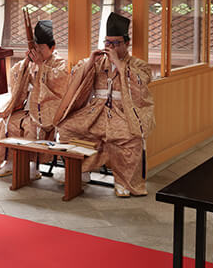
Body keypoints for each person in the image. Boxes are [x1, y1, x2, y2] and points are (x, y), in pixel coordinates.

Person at [55, 13, 155, 197]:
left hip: (124, 113)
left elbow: (142, 83)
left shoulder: (138, 64)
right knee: (67, 127)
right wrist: (89, 63)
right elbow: (76, 77)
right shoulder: (98, 61)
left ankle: (123, 181)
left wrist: (119, 64)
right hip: (95, 112)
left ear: (127, 43)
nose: (111, 47)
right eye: (107, 43)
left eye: (116, 43)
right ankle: (81, 172)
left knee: (129, 138)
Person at [0, 20, 68, 180]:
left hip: (45, 111)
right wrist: (27, 63)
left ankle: (33, 167)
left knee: (32, 127)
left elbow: (60, 84)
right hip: (26, 108)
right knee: (8, 122)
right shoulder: (30, 61)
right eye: (35, 48)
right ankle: (10, 163)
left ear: (52, 47)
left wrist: (41, 67)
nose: (38, 52)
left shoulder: (59, 63)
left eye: (41, 48)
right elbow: (15, 76)